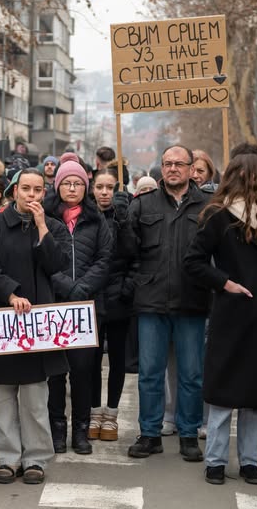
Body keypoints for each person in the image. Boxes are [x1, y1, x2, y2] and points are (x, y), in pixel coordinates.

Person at [184, 153, 257, 485]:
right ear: (246, 176)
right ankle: (215, 461)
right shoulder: (218, 215)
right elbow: (194, 262)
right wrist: (225, 283)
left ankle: (249, 462)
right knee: (224, 395)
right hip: (231, 315)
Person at [0, 168, 70, 485]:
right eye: (25, 188)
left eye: (38, 190)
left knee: (34, 399)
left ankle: (36, 458)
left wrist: (42, 227)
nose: (31, 195)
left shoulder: (52, 225)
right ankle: (7, 458)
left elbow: (57, 266)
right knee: (1, 399)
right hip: (2, 323)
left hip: (36, 325)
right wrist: (11, 293)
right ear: (14, 191)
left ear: (44, 193)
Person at [127, 145, 209, 462]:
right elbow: (128, 252)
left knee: (191, 374)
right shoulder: (143, 204)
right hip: (151, 300)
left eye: (179, 164)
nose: (172, 168)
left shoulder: (209, 206)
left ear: (192, 168)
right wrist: (136, 283)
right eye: (167, 163)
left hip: (192, 299)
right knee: (149, 373)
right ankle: (149, 434)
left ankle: (189, 434)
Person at [44, 160, 112, 455]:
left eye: (78, 183)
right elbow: (41, 259)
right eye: (67, 183)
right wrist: (65, 287)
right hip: (54, 306)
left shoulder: (97, 221)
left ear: (86, 187)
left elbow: (105, 259)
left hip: (86, 308)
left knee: (84, 371)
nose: (72, 188)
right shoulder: (44, 218)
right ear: (58, 186)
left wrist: (82, 288)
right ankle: (57, 428)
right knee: (56, 372)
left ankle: (80, 431)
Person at [88, 169, 136, 441]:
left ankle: (112, 413)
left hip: (119, 297)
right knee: (92, 361)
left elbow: (134, 253)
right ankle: (94, 411)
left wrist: (123, 218)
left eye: (109, 187)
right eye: (99, 187)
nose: (104, 192)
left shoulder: (126, 212)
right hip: (93, 297)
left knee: (117, 359)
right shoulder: (86, 216)